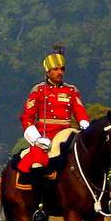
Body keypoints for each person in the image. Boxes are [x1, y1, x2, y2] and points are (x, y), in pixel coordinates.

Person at [17, 45, 89, 174]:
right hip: (45, 135)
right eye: (55, 69)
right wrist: (36, 139)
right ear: (48, 71)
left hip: (68, 134)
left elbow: (80, 112)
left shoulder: (71, 90)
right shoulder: (38, 90)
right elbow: (27, 118)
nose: (60, 72)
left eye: (62, 69)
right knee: (37, 165)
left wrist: (85, 125)